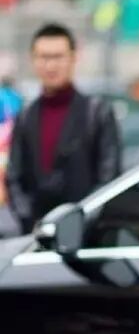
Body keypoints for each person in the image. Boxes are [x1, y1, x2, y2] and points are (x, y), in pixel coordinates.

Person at [5, 23, 121, 235]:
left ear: (73, 57)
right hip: (35, 233)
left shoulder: (96, 113)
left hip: (86, 234)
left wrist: (80, 220)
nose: (51, 65)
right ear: (33, 60)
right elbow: (14, 177)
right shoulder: (26, 116)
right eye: (43, 57)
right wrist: (30, 221)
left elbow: (108, 178)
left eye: (58, 57)